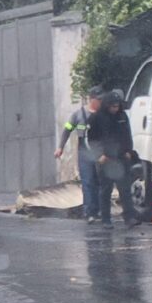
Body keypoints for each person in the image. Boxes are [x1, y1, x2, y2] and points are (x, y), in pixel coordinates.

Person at [87, 90, 142, 229]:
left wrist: (129, 151)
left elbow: (127, 135)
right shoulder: (96, 118)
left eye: (117, 106)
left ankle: (129, 218)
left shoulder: (122, 116)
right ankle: (106, 219)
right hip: (105, 160)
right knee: (106, 190)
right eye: (112, 106)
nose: (115, 109)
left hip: (121, 159)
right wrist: (99, 155)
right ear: (107, 105)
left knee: (125, 190)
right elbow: (91, 139)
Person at [55, 85, 103, 224]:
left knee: (100, 182)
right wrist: (60, 147)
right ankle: (89, 213)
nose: (101, 102)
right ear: (91, 99)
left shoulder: (103, 115)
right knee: (87, 182)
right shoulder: (79, 115)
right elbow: (67, 130)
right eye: (98, 100)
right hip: (84, 152)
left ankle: (100, 210)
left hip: (99, 152)